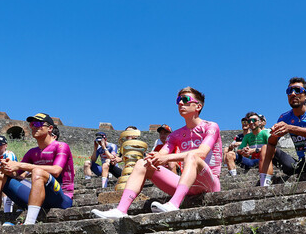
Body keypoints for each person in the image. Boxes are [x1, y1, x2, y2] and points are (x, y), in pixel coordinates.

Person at [91, 86, 222, 219]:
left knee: (192, 156)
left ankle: (174, 204)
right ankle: (121, 210)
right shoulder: (176, 135)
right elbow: (161, 155)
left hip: (210, 183)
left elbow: (201, 153)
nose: (180, 103)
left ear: (198, 106)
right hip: (187, 185)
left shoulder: (210, 126)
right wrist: (153, 158)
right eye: (178, 100)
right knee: (143, 163)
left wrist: (167, 158)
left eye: (185, 99)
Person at [0, 113, 74, 226]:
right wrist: (6, 168)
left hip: (61, 198)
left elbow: (56, 170)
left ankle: (29, 224)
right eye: (32, 124)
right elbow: (16, 174)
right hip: (38, 197)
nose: (34, 127)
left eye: (38, 124)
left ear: (50, 128)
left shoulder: (61, 146)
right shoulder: (32, 152)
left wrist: (21, 165)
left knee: (38, 172)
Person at [259, 77, 306, 186]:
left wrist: (290, 128)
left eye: (297, 90)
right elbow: (272, 143)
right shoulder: (284, 117)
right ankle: (264, 186)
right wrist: (275, 133)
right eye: (289, 91)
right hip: (301, 162)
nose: (293, 94)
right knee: (266, 147)